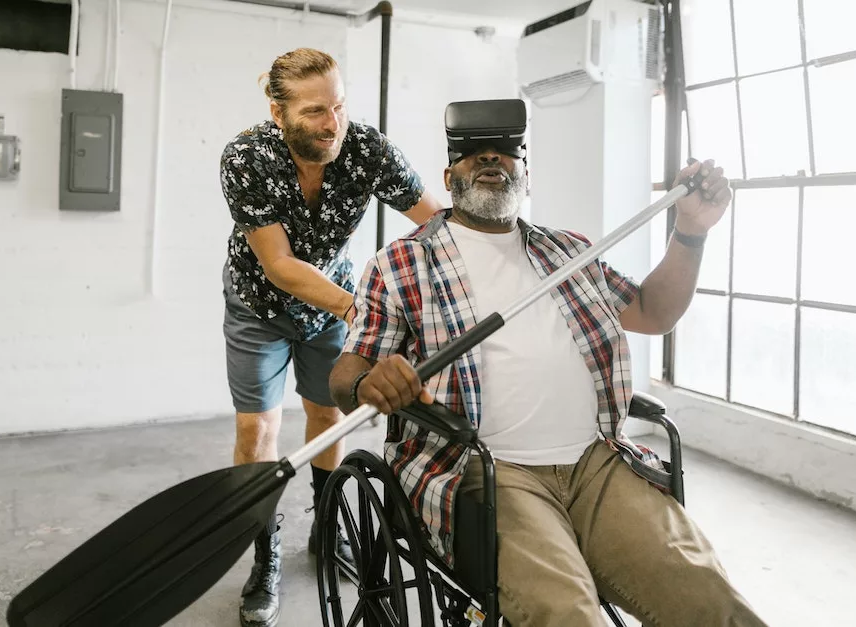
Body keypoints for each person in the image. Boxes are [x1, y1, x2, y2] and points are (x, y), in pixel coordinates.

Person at [328, 102, 768, 626]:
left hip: (595, 462)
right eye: (472, 154)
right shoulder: (402, 261)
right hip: (486, 472)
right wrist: (368, 382)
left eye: (507, 151)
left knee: (712, 602)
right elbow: (345, 374)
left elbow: (654, 311)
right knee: (565, 613)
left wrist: (691, 230)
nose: (491, 159)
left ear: (525, 174)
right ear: (449, 177)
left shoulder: (570, 252)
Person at [218, 48, 442, 627]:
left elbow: (434, 221)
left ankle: (325, 526)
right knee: (257, 429)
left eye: (339, 106)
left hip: (328, 312)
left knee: (327, 416)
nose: (332, 123)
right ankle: (264, 556)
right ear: (278, 112)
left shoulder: (367, 149)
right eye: (316, 111)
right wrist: (358, 307)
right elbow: (278, 263)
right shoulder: (246, 158)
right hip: (260, 306)